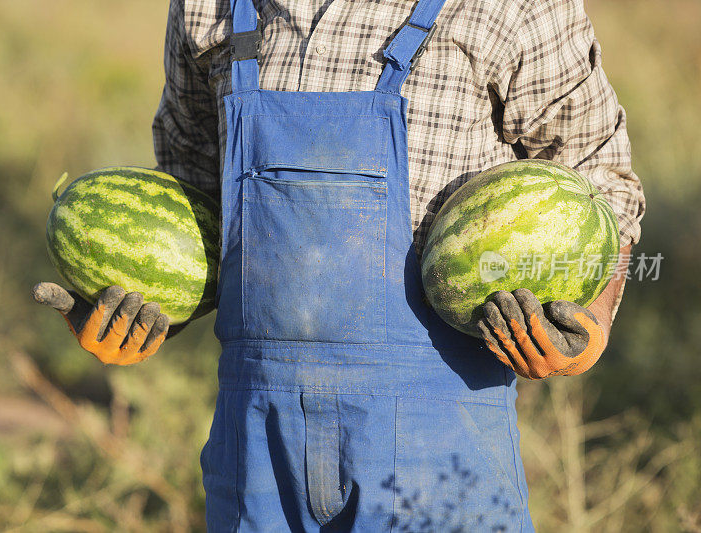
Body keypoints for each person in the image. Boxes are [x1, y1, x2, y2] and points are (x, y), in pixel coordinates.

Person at [33, 0, 645, 529]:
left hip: (436, 440)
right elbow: (194, 193)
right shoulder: (207, 6)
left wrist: (590, 318)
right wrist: (139, 313)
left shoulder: (512, 6)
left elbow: (601, 176)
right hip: (255, 449)